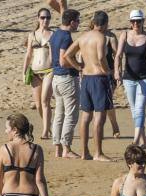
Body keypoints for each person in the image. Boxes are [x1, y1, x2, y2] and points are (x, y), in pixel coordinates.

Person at [63, 11, 115, 161]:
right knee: (100, 116)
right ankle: (98, 152)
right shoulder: (101, 37)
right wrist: (108, 71)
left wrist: (79, 66)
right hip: (99, 78)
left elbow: (67, 55)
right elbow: (100, 57)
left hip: (86, 78)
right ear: (105, 24)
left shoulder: (83, 37)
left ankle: (85, 152)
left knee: (86, 116)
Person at [115, 10, 146, 149]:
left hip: (145, 78)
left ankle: (135, 141)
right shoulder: (124, 35)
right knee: (134, 110)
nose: (136, 24)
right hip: (128, 77)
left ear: (143, 21)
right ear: (130, 22)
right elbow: (118, 55)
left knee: (139, 108)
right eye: (133, 21)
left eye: (138, 21)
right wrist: (117, 71)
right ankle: (143, 141)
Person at [49, 9, 82, 159]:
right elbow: (63, 60)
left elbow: (52, 58)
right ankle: (66, 148)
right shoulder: (65, 36)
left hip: (56, 78)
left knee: (59, 114)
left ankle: (58, 148)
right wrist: (78, 66)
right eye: (77, 21)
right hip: (66, 78)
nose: (78, 24)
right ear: (72, 22)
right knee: (71, 115)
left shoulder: (55, 34)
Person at [23, 9, 54, 140]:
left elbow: (54, 55)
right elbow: (29, 54)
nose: (45, 20)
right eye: (43, 17)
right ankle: (48, 126)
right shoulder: (32, 35)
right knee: (38, 104)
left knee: (45, 101)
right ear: (38, 18)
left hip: (49, 71)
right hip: (35, 72)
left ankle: (45, 131)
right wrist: (24, 71)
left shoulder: (53, 34)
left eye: (48, 18)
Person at [103, 25, 121, 138]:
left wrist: (118, 72)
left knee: (106, 101)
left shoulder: (110, 37)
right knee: (101, 103)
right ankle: (108, 127)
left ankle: (114, 126)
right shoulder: (91, 35)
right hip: (93, 73)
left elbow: (117, 56)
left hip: (109, 72)